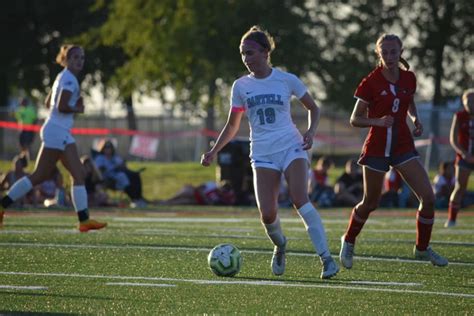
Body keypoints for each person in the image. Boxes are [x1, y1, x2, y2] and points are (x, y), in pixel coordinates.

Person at [201, 25, 339, 279]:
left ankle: (327, 259)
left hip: (291, 146)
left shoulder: (286, 79)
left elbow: (314, 109)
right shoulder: (240, 86)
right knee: (267, 214)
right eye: (242, 54)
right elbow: (233, 126)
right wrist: (214, 151)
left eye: (250, 52)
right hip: (263, 153)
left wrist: (310, 132)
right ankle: (280, 245)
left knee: (300, 199)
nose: (246, 59)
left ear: (265, 52)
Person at [339, 33, 448, 269]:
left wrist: (415, 118)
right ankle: (348, 239)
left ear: (400, 52)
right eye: (384, 52)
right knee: (370, 202)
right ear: (378, 53)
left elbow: (408, 101)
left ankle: (422, 249)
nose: (389, 56)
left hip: (402, 144)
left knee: (428, 198)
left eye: (393, 51)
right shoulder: (370, 82)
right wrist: (378, 122)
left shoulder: (409, 78)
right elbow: (354, 119)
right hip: (377, 146)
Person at [0, 44, 107, 232]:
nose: (79, 61)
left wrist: (71, 105)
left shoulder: (62, 77)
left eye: (82, 58)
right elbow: (61, 106)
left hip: (59, 131)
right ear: (65, 59)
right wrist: (77, 108)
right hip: (57, 132)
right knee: (39, 176)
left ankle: (84, 220)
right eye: (75, 58)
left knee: (78, 174)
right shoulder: (70, 80)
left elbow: (48, 102)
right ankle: (2, 205)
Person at [446, 88, 474, 227]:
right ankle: (451, 219)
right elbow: (453, 139)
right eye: (468, 100)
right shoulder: (459, 116)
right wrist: (464, 153)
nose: (471, 103)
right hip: (464, 157)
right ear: (463, 102)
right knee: (459, 187)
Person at [93, 140, 147, 208]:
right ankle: (135, 199)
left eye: (110, 147)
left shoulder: (115, 157)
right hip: (109, 179)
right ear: (102, 149)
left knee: (135, 176)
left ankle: (139, 198)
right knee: (126, 179)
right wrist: (112, 168)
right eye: (106, 148)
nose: (108, 149)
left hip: (120, 175)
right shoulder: (100, 158)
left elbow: (122, 165)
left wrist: (122, 165)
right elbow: (100, 171)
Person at [161, 180, 236, 206]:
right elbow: (198, 188)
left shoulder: (222, 196)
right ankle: (165, 201)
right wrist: (204, 197)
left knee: (182, 202)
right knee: (186, 192)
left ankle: (166, 203)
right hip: (194, 193)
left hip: (197, 200)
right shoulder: (212, 185)